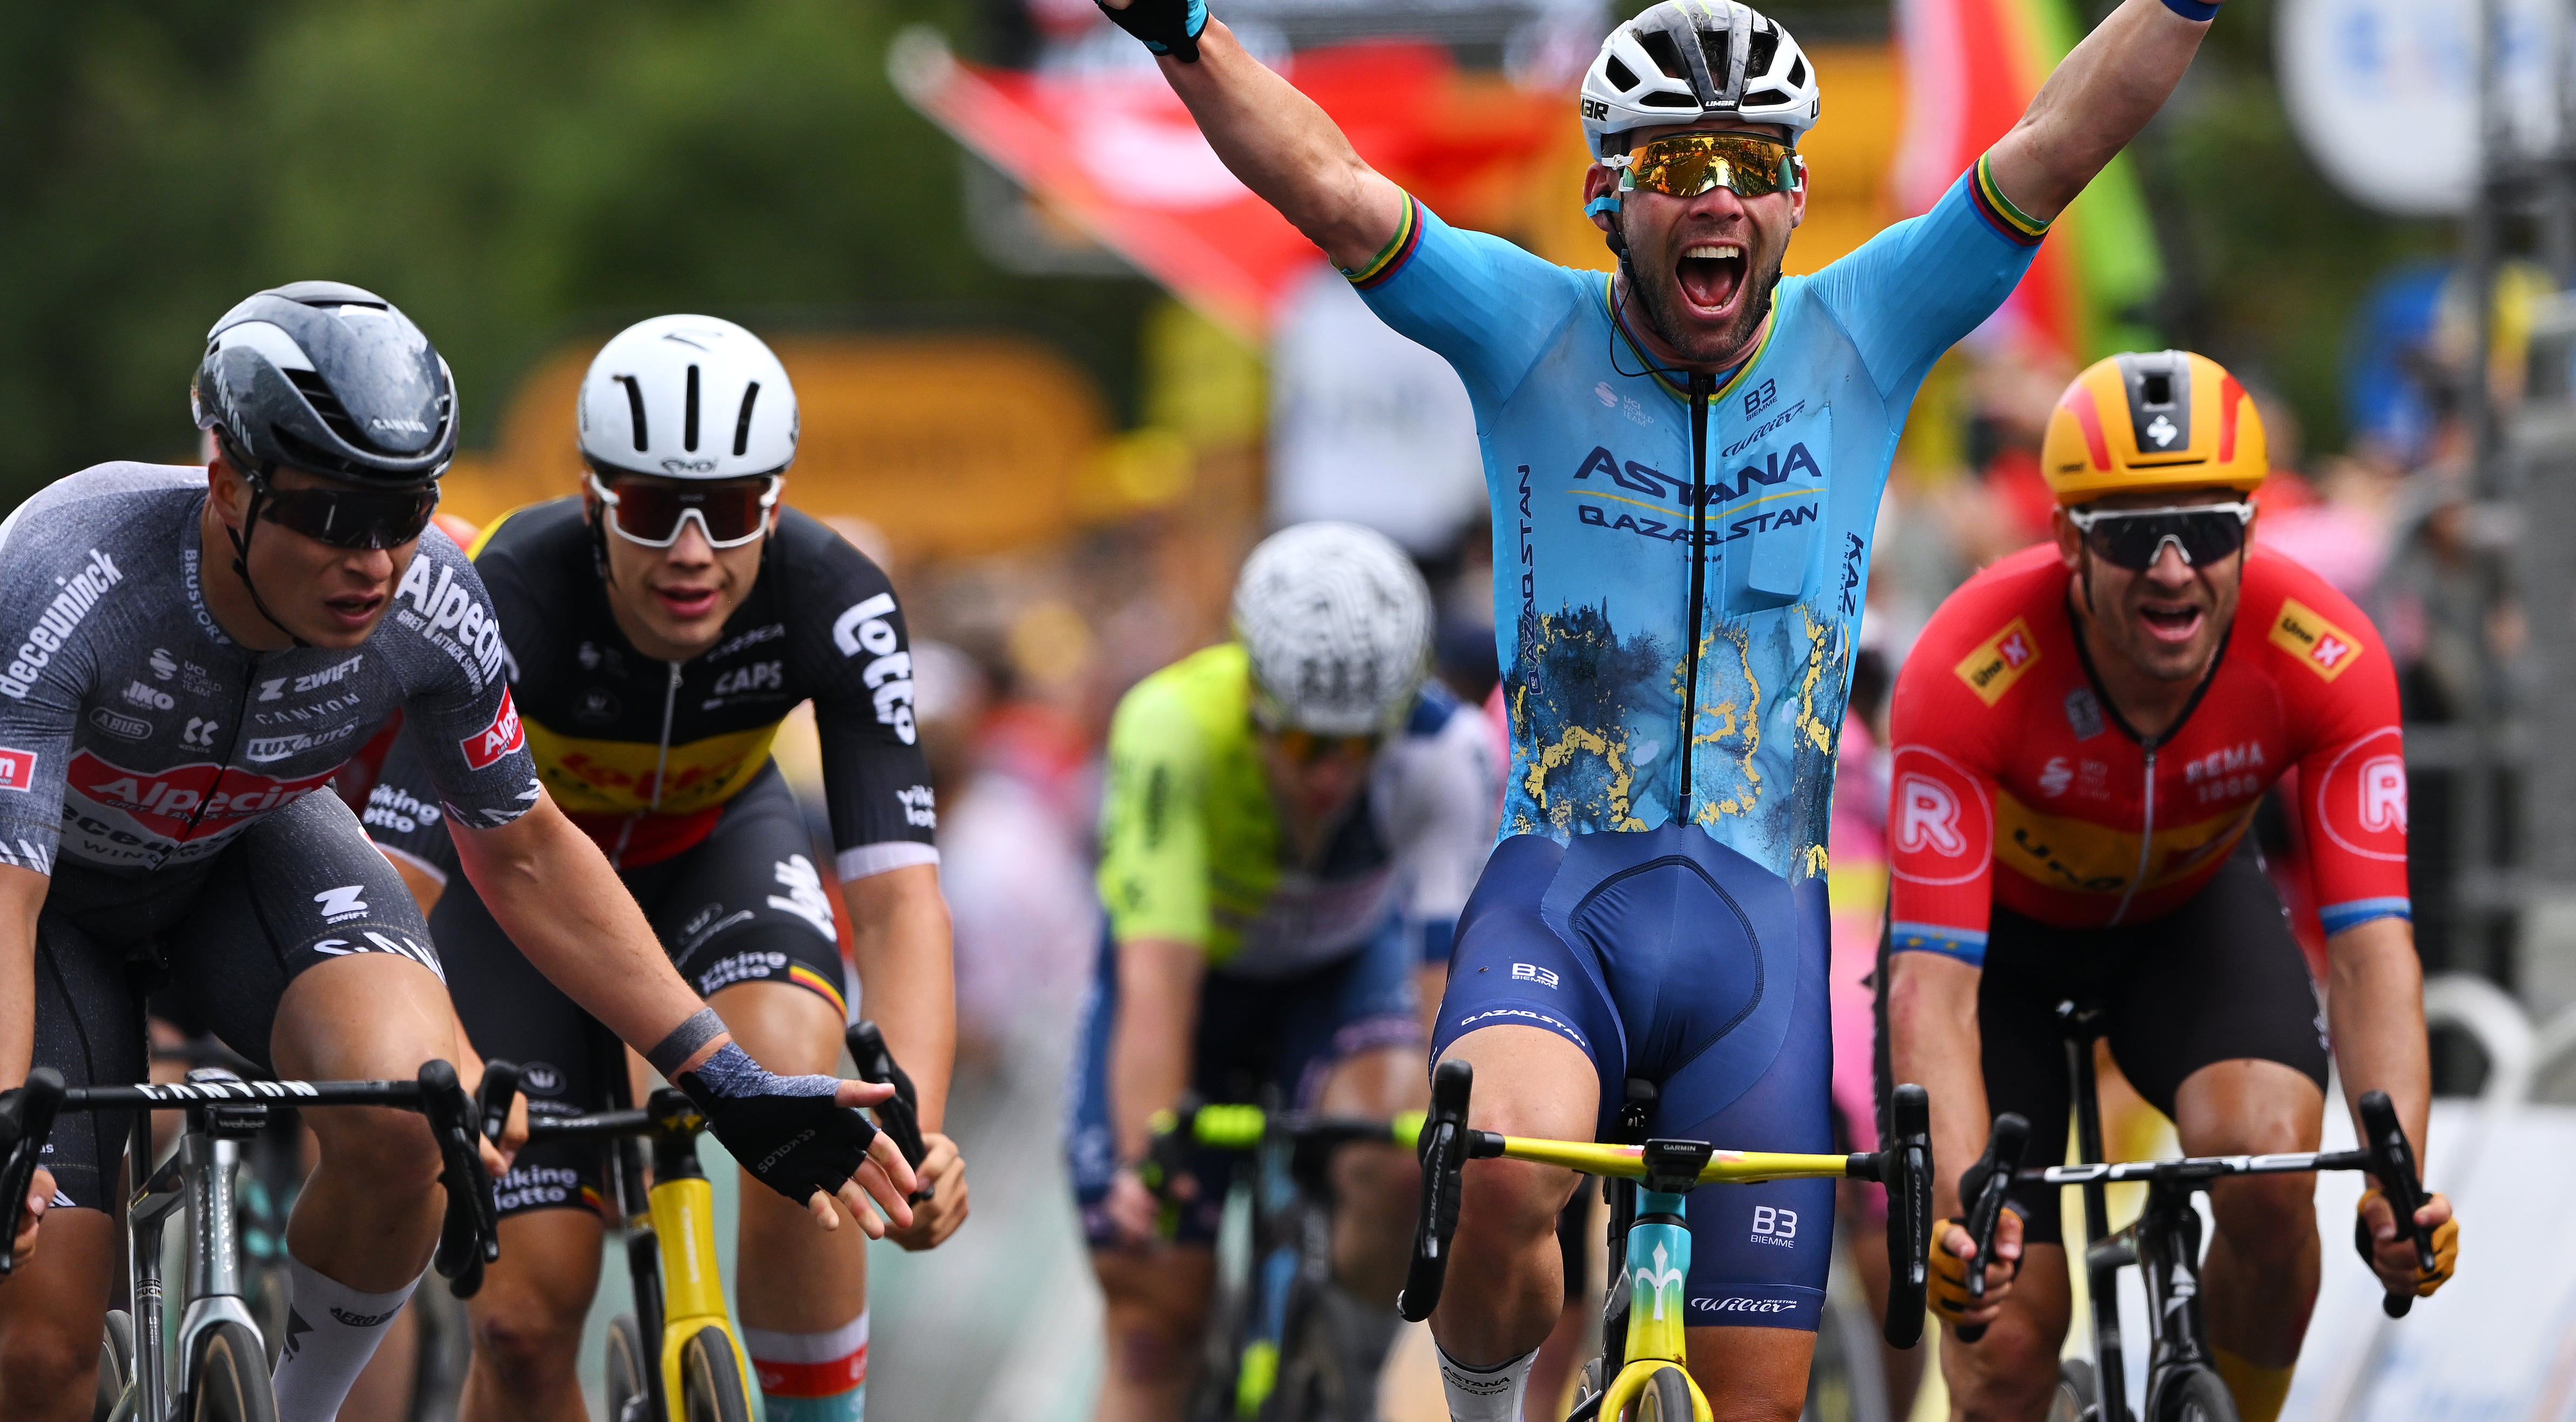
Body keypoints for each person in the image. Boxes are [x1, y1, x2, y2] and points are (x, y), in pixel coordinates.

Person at [1093, 0, 2306, 1422]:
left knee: (1756, 1396)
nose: (1717, 196)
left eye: (1752, 164)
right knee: (1505, 1179)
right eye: (1677, 165)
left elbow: (2055, 143)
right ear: (1611, 194)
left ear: (1798, 197)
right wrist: (1188, 35)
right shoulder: (1523, 327)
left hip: (1761, 928)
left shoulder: (1865, 329)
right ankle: (1478, 1399)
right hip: (1561, 904)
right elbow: (1327, 183)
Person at [0, 285, 911, 1422]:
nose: (375, 558)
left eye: (404, 507)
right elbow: (11, 886)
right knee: (36, 1351)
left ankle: (297, 1410)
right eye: (333, 513)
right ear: (228, 479)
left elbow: (525, 850)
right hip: (52, 904)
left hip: (248, 846)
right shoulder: (67, 571)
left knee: (411, 1117)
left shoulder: (436, 594)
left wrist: (724, 1075)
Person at [364, 314, 966, 1422]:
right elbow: (395, 880)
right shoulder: (511, 584)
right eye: (650, 507)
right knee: (522, 1317)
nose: (691, 549)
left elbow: (898, 899)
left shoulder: (838, 597)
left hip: (714, 858)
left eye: (731, 509)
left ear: (774, 502)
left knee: (802, 1075)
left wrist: (914, 1126)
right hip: (519, 899)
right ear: (594, 497)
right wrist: (420, 1046)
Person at [1881, 351, 2462, 1422]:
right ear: (2065, 541)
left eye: (2201, 529)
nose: (2169, 568)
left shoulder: (2326, 653)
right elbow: (1932, 981)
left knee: (2273, 1168)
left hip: (2185, 921)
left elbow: (2375, 946)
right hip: (1994, 954)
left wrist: (2395, 1179)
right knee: (2003, 1335)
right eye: (2125, 532)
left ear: (2248, 524)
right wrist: (1963, 1218)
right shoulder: (1966, 662)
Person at [1072, 522, 1499, 1422]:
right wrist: (1146, 1163)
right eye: (1304, 743)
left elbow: (1442, 988)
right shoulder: (1173, 729)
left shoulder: (1446, 751)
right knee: (1155, 1317)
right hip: (1201, 983)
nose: (1331, 773)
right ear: (1254, 692)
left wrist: (1437, 1150)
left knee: (1395, 1159)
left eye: (1359, 745)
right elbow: (1157, 987)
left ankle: (1344, 1363)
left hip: (1339, 971)